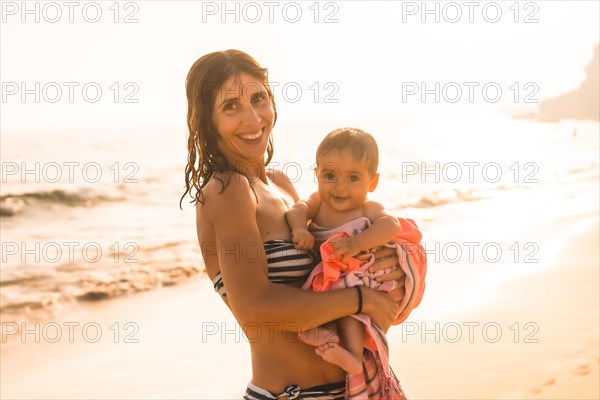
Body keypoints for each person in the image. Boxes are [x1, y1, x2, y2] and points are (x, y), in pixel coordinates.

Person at [181, 49, 423, 399]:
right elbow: (257, 307)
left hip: (351, 389)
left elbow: (333, 269)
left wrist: (386, 263)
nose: (252, 118)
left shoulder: (280, 184)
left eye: (258, 98)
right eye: (230, 106)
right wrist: (360, 298)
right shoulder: (227, 190)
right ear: (207, 120)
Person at [285, 127, 402, 377]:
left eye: (353, 178)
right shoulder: (318, 203)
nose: (340, 187)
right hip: (326, 276)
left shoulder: (366, 208)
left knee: (349, 310)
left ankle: (353, 356)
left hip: (353, 275)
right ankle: (325, 333)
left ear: (372, 182)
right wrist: (300, 230)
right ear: (317, 174)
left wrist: (357, 244)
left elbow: (391, 225)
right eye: (330, 175)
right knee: (310, 302)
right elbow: (296, 210)